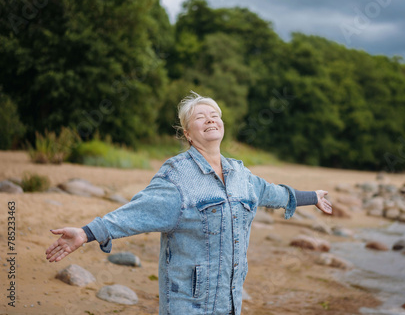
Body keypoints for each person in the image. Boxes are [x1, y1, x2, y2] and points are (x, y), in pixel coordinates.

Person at [46, 91, 333, 315]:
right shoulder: (177, 176)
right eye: (200, 117)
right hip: (188, 303)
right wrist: (86, 232)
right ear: (187, 133)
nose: (210, 119)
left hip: (231, 301)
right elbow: (137, 212)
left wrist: (313, 197)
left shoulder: (240, 174)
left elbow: (273, 193)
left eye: (214, 115)